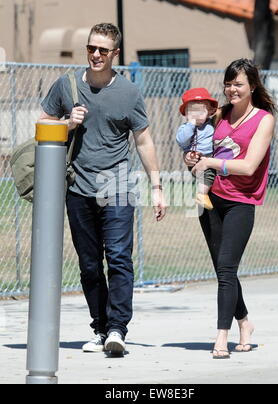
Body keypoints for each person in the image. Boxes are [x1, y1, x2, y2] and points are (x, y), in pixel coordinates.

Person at [39, 23, 166, 355]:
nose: (95, 55)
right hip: (77, 186)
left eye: (102, 50)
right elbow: (42, 125)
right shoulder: (65, 86)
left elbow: (143, 140)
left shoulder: (129, 93)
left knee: (120, 258)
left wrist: (156, 186)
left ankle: (117, 330)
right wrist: (68, 123)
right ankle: (100, 326)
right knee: (90, 263)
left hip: (118, 184)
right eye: (91, 48)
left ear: (115, 55)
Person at [184, 58, 276, 359]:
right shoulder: (219, 114)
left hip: (241, 202)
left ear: (252, 86)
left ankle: (221, 338)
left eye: (238, 84)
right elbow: (203, 155)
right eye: (228, 83)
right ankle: (245, 323)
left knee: (225, 269)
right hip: (210, 200)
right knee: (224, 270)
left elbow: (249, 167)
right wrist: (194, 161)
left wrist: (212, 162)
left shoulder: (264, 119)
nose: (231, 89)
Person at [176, 88, 218, 211]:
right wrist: (191, 124)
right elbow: (181, 141)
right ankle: (201, 194)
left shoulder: (212, 124)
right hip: (196, 158)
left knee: (211, 172)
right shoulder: (185, 127)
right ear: (186, 114)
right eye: (192, 112)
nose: (196, 115)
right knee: (208, 174)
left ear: (209, 112)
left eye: (200, 111)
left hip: (211, 156)